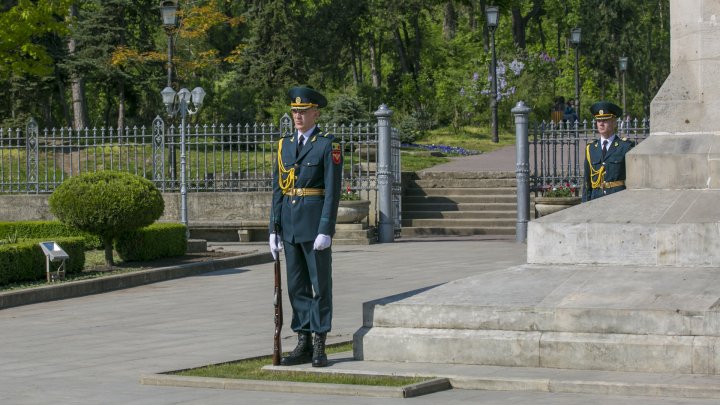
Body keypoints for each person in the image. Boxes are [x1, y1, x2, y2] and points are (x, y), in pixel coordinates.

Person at [268, 86, 342, 368]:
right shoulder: (284, 145)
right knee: (296, 286)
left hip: (314, 226)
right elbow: (278, 190)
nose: (297, 116)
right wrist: (273, 229)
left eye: (303, 111)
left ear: (316, 113)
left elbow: (332, 191)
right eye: (294, 111)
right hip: (289, 224)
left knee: (320, 285)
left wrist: (327, 228)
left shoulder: (327, 144)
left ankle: (320, 341)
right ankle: (303, 340)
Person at [583, 101, 634, 202]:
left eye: (605, 120)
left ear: (614, 123)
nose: (601, 124)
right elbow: (587, 182)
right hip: (595, 199)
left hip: (617, 198)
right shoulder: (591, 148)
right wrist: (584, 204)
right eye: (598, 120)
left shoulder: (625, 147)